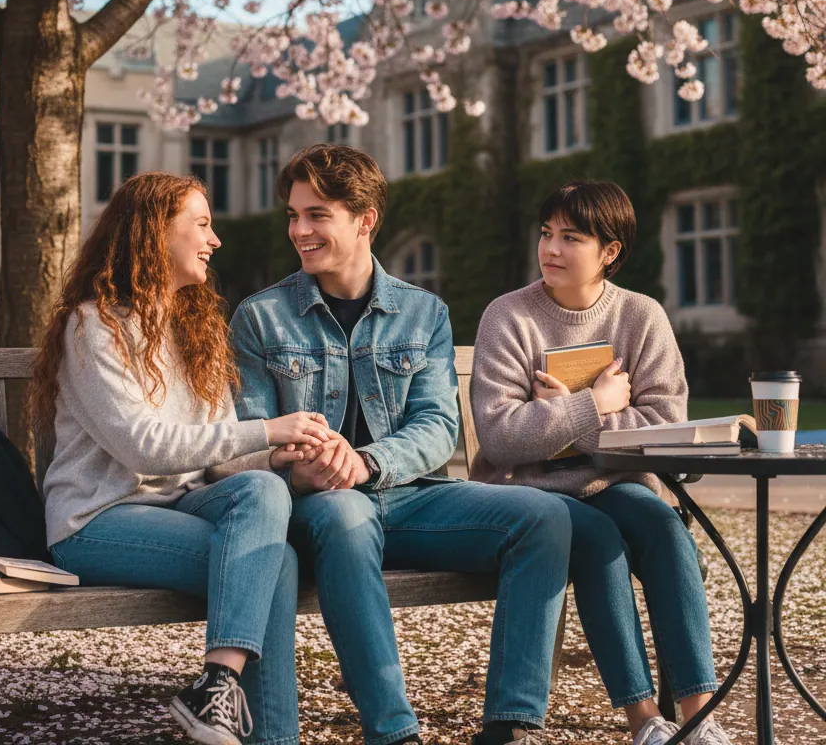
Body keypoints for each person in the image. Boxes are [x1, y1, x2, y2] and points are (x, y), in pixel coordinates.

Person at [231, 143, 572, 745]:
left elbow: (438, 425)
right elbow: (249, 435)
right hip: (320, 506)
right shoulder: (261, 318)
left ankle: (510, 725)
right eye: (293, 215)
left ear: (365, 220)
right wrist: (295, 471)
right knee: (345, 513)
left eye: (317, 215)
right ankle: (394, 733)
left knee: (544, 516)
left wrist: (366, 461)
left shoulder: (423, 313)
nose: (299, 231)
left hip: (408, 495)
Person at [30, 172, 331, 745]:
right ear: (151, 234)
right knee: (278, 565)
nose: (214, 239)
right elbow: (143, 445)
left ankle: (217, 688)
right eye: (200, 224)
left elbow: (219, 460)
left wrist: (280, 461)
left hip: (181, 505)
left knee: (265, 499)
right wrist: (264, 427)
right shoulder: (92, 327)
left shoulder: (194, 328)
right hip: (97, 520)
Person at [470, 179, 732, 745]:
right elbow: (502, 437)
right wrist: (601, 403)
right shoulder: (508, 317)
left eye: (571, 237)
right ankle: (644, 721)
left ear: (609, 252)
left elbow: (665, 426)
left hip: (618, 485)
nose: (551, 249)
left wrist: (573, 417)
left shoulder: (641, 317)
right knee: (597, 540)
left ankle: (699, 716)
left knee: (665, 529)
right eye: (546, 234)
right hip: (529, 498)